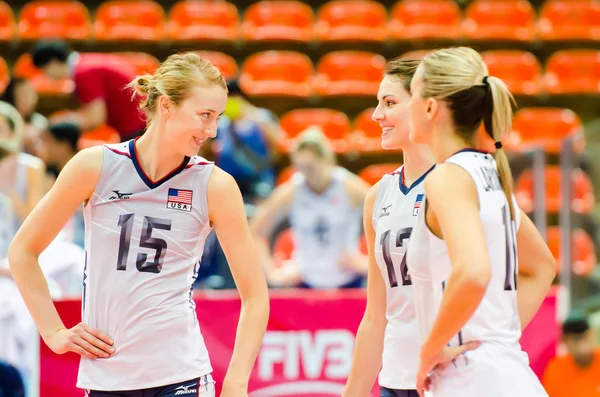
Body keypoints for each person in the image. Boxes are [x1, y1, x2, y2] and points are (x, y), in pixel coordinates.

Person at [8, 52, 270, 396]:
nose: (212, 130)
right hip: (105, 377)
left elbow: (256, 297)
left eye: (218, 117)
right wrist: (55, 333)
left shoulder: (215, 185)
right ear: (165, 106)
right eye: (205, 115)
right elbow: (22, 252)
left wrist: (236, 382)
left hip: (181, 374)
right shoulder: (94, 166)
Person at [405, 46, 556, 397]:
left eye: (412, 94)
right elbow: (542, 266)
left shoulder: (447, 177)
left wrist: (430, 351)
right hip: (508, 373)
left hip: (472, 381)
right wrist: (494, 334)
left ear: (429, 107)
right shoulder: (489, 173)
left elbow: (473, 272)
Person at [343, 58, 478, 397]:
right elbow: (376, 316)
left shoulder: (459, 181)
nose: (376, 115)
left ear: (424, 107)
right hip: (396, 377)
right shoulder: (379, 195)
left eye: (389, 103)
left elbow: (514, 275)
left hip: (450, 378)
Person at [250, 127, 369, 289]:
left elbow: (388, 223)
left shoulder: (350, 188)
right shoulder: (291, 191)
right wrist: (272, 274)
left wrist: (366, 264)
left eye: (311, 167)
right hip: (305, 279)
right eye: (301, 168)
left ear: (327, 161)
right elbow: (255, 231)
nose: (307, 174)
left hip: (348, 279)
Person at [30, 40, 146, 140]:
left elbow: (95, 119)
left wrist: (56, 123)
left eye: (44, 69)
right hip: (139, 123)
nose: (46, 75)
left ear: (53, 62)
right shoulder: (85, 64)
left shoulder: (83, 73)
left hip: (137, 128)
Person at [0, 101, 45, 259]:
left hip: (20, 247)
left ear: (13, 132)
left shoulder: (31, 166)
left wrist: (7, 187)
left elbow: (33, 219)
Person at [542, 311, 600, 397]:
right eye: (575, 339)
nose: (581, 342)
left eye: (584, 336)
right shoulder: (556, 368)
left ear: (592, 334)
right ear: (564, 341)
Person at [0, 77, 47, 155]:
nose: (28, 99)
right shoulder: (3, 116)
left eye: (30, 94)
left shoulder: (40, 122)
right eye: (23, 94)